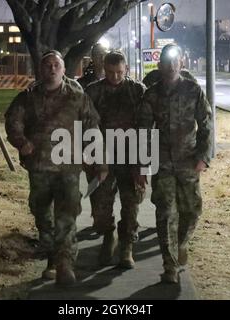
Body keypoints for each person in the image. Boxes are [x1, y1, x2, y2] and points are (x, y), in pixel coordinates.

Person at [4, 50, 107, 286]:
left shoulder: (77, 96)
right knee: (42, 213)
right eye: (48, 65)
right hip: (39, 166)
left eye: (56, 65)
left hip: (68, 167)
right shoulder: (29, 96)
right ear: (41, 69)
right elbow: (12, 120)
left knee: (67, 214)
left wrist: (99, 162)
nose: (52, 69)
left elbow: (92, 128)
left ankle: (65, 264)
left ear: (63, 69)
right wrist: (21, 143)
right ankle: (51, 256)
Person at [137, 44, 214, 283]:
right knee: (165, 213)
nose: (170, 66)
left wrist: (204, 156)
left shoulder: (193, 90)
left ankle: (181, 243)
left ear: (181, 63)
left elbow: (207, 124)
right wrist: (142, 166)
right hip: (162, 164)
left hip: (189, 161)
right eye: (165, 62)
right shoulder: (150, 94)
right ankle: (169, 265)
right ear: (159, 65)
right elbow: (142, 132)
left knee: (191, 211)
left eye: (174, 61)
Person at [85, 50, 146, 269]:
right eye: (110, 72)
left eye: (119, 72)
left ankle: (127, 247)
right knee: (100, 206)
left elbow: (147, 126)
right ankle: (108, 236)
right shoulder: (93, 91)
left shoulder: (137, 90)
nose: (115, 77)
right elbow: (87, 127)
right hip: (103, 157)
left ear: (126, 69)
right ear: (104, 69)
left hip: (131, 157)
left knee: (131, 205)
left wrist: (143, 164)